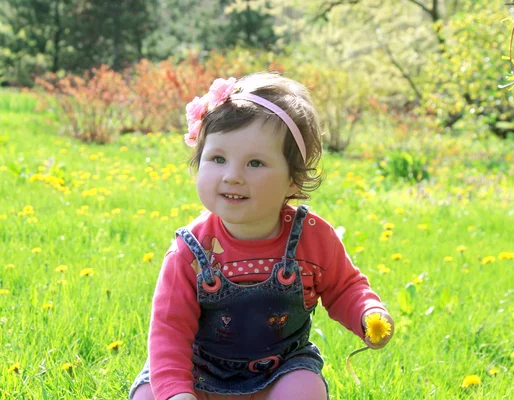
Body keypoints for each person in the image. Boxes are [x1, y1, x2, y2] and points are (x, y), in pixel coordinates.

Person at [130, 72, 394, 400]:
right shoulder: (191, 251)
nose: (232, 176)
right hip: (199, 372)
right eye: (218, 158)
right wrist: (177, 394)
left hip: (277, 372)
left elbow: (344, 287)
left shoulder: (312, 238)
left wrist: (367, 314)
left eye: (255, 163)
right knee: (150, 394)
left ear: (293, 181)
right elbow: (169, 333)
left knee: (304, 389)